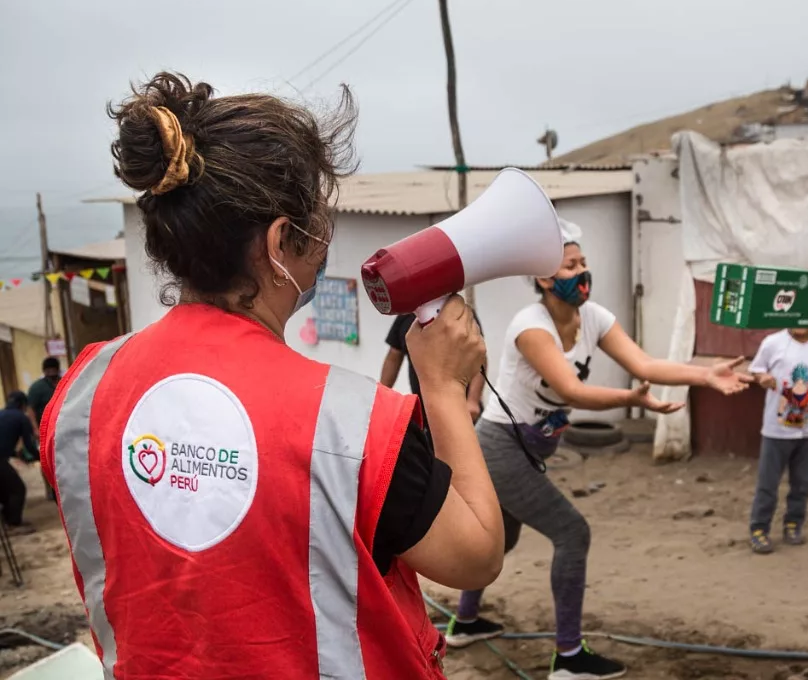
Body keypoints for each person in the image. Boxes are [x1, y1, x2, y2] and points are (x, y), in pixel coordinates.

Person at [39, 72, 504, 679]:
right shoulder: (350, 424)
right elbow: (476, 556)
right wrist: (441, 387)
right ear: (282, 240)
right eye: (320, 218)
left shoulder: (81, 393)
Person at [444, 221, 753, 680]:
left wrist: (703, 375)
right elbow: (572, 390)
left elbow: (644, 363)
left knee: (502, 539)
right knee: (572, 533)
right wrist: (631, 401)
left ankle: (465, 623)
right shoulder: (531, 327)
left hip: (529, 446)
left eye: (584, 262)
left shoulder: (595, 318)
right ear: (546, 279)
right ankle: (568, 658)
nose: (583, 272)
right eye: (572, 265)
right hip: (501, 446)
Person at [746, 291, 808, 554]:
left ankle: (793, 524)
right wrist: (761, 379)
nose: (801, 318)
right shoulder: (772, 343)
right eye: (795, 311)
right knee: (768, 484)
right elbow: (756, 371)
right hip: (776, 432)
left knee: (802, 484)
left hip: (807, 433)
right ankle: (759, 529)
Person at [383, 308, 486, 423]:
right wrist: (381, 396)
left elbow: (479, 358)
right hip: (425, 412)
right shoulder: (406, 315)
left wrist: (473, 400)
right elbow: (393, 357)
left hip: (462, 409)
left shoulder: (460, 313)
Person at [0, 391, 38, 535]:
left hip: (2, 457)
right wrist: (40, 457)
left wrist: (15, 454)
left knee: (5, 488)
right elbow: (29, 445)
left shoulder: (2, 414)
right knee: (17, 489)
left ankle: (8, 520)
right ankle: (13, 524)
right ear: (23, 405)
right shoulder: (22, 417)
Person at [26, 356, 61, 425]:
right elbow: (30, 409)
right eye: (49, 372)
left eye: (54, 371)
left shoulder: (64, 382)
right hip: (45, 425)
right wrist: (35, 429)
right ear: (44, 371)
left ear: (58, 370)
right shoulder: (37, 387)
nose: (52, 375)